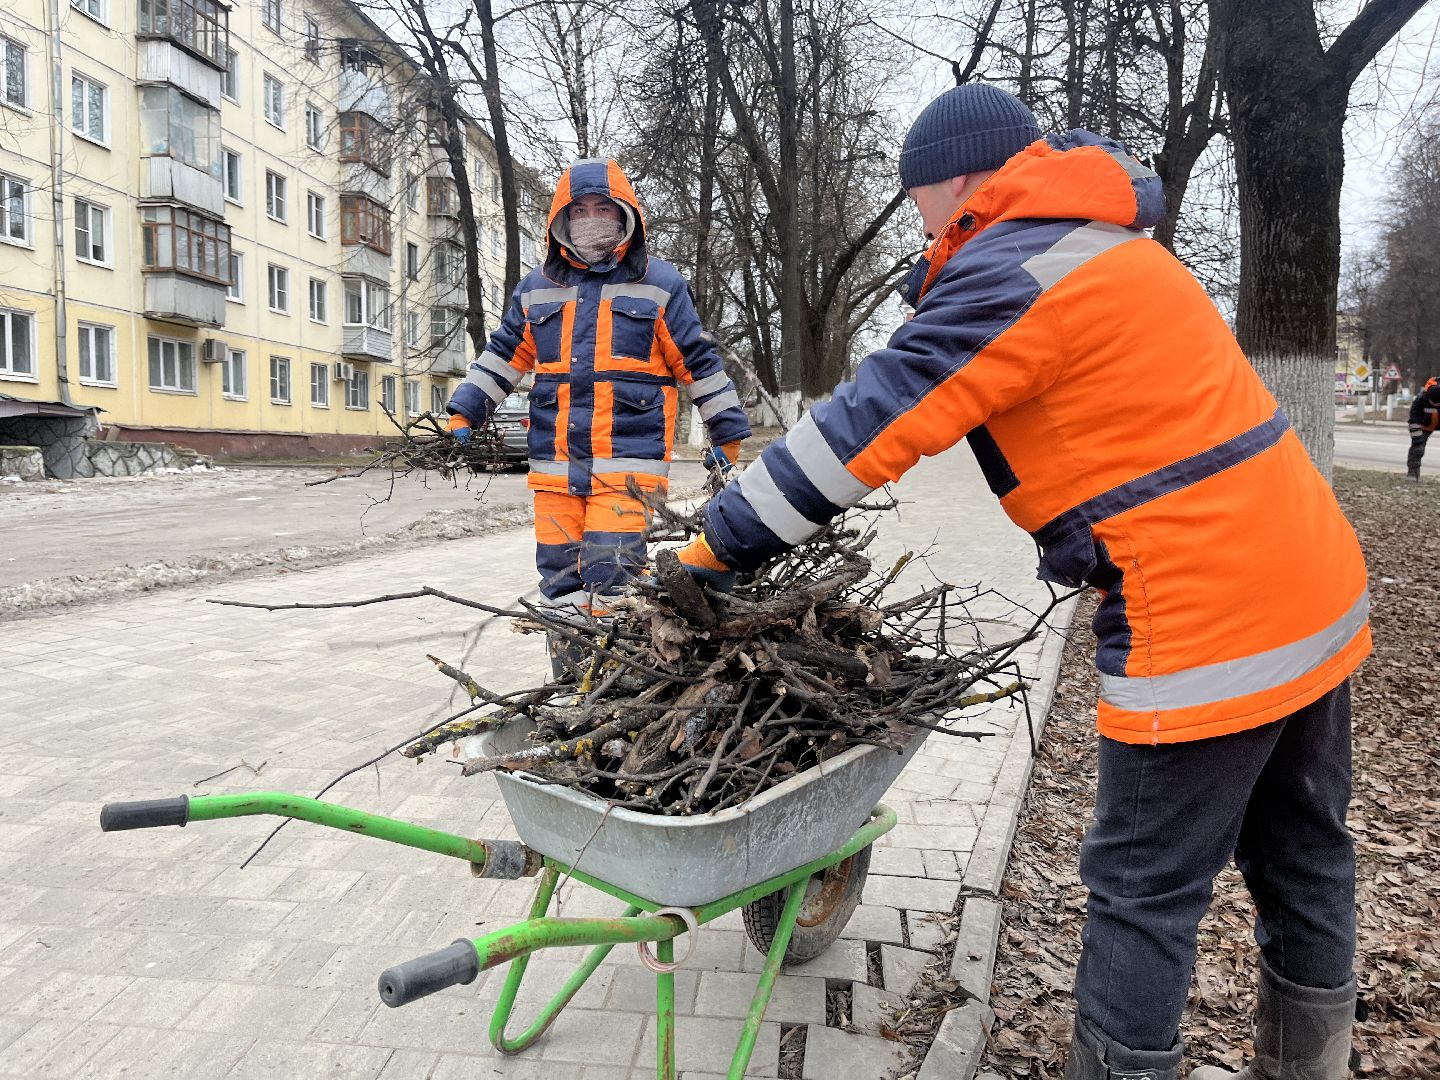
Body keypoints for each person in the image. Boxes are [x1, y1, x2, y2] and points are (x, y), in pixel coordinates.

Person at [676, 85, 1369, 1080]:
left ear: (953, 182)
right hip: (1313, 585)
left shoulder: (1015, 265)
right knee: (1305, 855)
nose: (919, 230)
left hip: (1208, 615)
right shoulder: (1104, 240)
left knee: (1142, 890)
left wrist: (717, 545)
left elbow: (864, 431)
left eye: (918, 204)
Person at [447, 158, 751, 672]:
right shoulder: (536, 288)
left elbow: (696, 360)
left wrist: (725, 428)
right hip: (554, 470)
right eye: (579, 209)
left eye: (602, 209)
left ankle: (619, 685)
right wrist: (466, 408)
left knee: (615, 578)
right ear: (561, 219)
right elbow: (503, 354)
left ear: (625, 215)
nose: (591, 219)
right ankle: (571, 683)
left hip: (627, 469)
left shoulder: (659, 284)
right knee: (561, 582)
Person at [1406, 376, 1440, 480]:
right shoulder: (1420, 400)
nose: (1436, 405)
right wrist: (1417, 439)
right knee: (1417, 448)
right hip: (1424, 425)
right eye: (1433, 403)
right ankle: (1412, 474)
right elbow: (1414, 421)